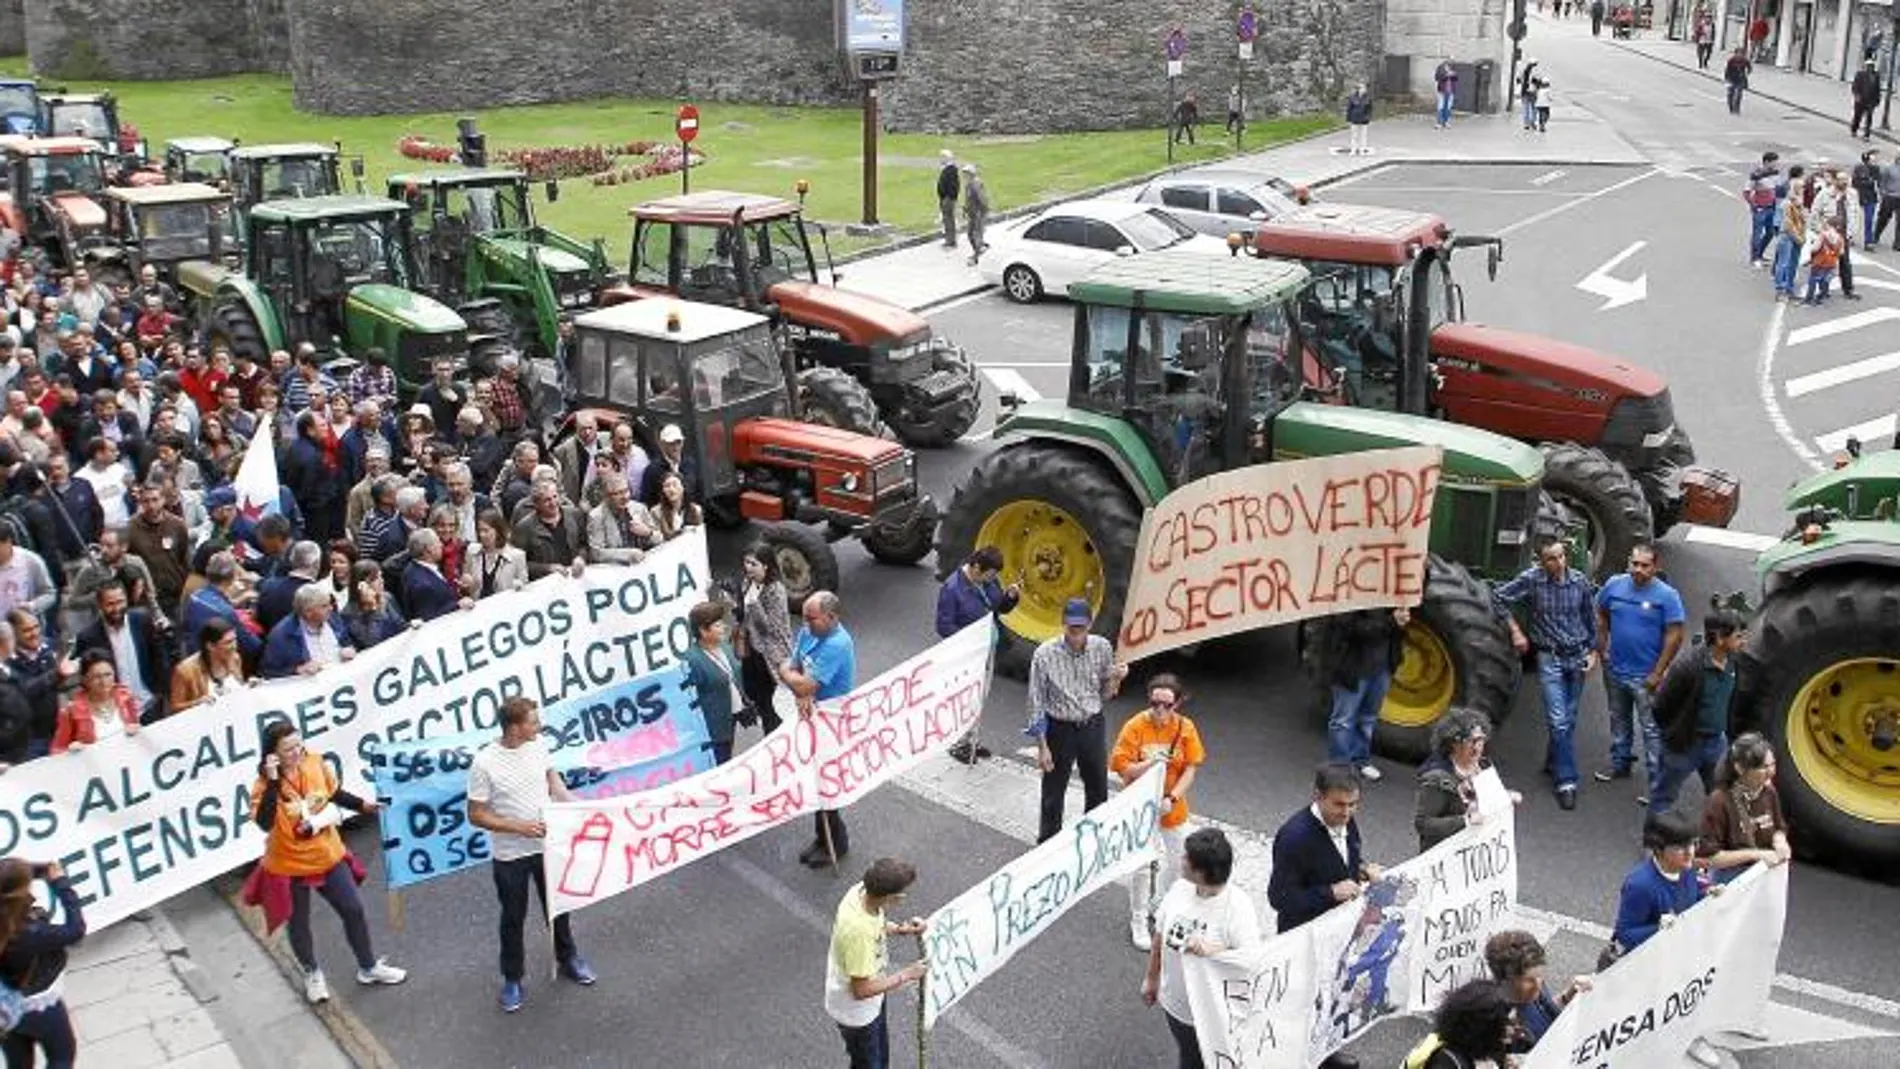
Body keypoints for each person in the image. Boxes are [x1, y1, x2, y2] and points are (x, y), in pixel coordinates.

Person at [244, 721, 405, 1003]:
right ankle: (312, 972)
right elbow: (265, 822)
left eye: (298, 744)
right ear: (272, 755)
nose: (296, 752)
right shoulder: (262, 786)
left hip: (326, 854)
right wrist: (271, 781)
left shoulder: (315, 762)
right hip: (288, 865)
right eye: (288, 749)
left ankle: (368, 967)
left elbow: (333, 793)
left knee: (353, 909)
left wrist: (362, 806)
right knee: (299, 923)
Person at [466, 696, 595, 1013]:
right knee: (513, 918)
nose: (540, 726)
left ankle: (568, 958)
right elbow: (476, 814)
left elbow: (553, 781)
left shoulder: (539, 745)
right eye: (533, 722)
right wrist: (519, 828)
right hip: (510, 857)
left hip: (547, 846)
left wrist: (575, 803)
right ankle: (512, 978)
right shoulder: (484, 763)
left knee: (558, 907)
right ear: (514, 727)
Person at [1266, 764, 1376, 1069]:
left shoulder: (1347, 821)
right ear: (1318, 796)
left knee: (1330, 996)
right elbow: (1280, 898)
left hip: (1338, 932)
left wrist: (1363, 869)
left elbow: (1345, 856)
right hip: (1305, 938)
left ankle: (1324, 1052)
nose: (1347, 813)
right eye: (1339, 804)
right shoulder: (1294, 837)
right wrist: (1329, 892)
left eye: (1353, 804)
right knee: (1303, 1003)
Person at [1140, 828, 1259, 1069]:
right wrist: (1151, 978)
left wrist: (1215, 952)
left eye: (1186, 858)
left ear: (1202, 872)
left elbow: (1251, 963)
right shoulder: (1179, 889)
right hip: (1177, 1004)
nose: (1180, 860)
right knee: (1189, 1053)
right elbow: (1159, 938)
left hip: (1212, 1013)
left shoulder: (1238, 908)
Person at [1492, 540, 1597, 810]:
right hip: (1549, 657)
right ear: (1541, 561)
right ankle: (1566, 781)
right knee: (1558, 719)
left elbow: (1590, 618)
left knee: (1568, 720)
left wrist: (1593, 652)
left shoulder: (1580, 582)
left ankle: (1553, 762)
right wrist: (1515, 630)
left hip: (1577, 655)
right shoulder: (1532, 580)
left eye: (1562, 556)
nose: (1559, 563)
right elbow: (1497, 597)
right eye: (1552, 558)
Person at [1111, 673, 1206, 951]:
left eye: (1167, 704)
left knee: (1179, 861)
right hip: (1140, 806)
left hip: (1170, 806)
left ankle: (1158, 902)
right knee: (1141, 866)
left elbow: (1191, 767)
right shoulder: (1136, 726)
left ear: (1177, 704)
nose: (1160, 710)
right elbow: (1121, 767)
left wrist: (1174, 797)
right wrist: (1148, 763)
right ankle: (1138, 920)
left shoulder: (1185, 728)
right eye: (1155, 703)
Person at [1026, 598, 1129, 843]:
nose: (1076, 635)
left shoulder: (1102, 647)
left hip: (1092, 724)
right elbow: (1035, 701)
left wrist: (1117, 679)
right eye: (1072, 629)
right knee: (1053, 790)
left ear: (1090, 626)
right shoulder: (1044, 654)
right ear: (1063, 624)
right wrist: (1042, 747)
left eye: (1081, 629)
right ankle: (1048, 843)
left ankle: (1093, 838)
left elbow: (1105, 693)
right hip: (1059, 728)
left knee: (1097, 786)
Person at [1592, 542, 1684, 796]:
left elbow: (1675, 635)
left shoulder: (1667, 596)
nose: (1638, 570)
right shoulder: (1614, 586)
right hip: (1616, 670)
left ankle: (1657, 785)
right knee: (1618, 718)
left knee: (1651, 729)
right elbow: (1600, 612)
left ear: (1656, 567)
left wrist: (1658, 672)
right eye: (1634, 564)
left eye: (1645, 565)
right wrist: (1603, 648)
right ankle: (1620, 763)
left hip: (1646, 676)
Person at [823, 857, 927, 1069]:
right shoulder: (859, 934)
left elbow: (876, 922)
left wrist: (899, 929)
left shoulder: (861, 892)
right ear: (892, 897)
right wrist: (906, 974)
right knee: (870, 1063)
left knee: (878, 1057)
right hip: (857, 1013)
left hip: (871, 1001)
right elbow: (860, 990)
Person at [781, 590, 857, 868]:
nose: (805, 625)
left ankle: (836, 842)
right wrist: (799, 689)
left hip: (832, 723)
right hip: (812, 715)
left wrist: (793, 681)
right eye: (804, 618)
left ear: (831, 617)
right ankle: (821, 836)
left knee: (826, 782)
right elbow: (796, 666)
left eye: (811, 619)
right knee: (814, 779)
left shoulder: (838, 643)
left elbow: (797, 677)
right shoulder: (810, 632)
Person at [1649, 609, 1747, 816]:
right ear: (1720, 638)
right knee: (1663, 797)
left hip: (1716, 743)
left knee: (1721, 794)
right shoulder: (1687, 668)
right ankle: (1654, 843)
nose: (1743, 641)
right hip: (1684, 745)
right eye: (1738, 636)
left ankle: (1716, 840)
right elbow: (1661, 706)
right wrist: (1674, 735)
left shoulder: (1735, 662)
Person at [934, 546, 1019, 762]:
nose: (991, 580)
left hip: (986, 651)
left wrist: (1009, 598)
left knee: (979, 697)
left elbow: (998, 606)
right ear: (976, 567)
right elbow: (943, 626)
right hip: (967, 654)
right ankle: (958, 742)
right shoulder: (952, 588)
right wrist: (971, 639)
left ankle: (971, 738)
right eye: (989, 575)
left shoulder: (987, 581)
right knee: (964, 698)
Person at [0, 856, 86, 1069]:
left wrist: (32, 871)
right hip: (36, 1005)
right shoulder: (30, 933)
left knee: (18, 1062)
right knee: (62, 1056)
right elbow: (75, 930)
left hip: (5, 1008)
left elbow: (8, 879)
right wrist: (60, 883)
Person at [1413, 708, 1521, 851]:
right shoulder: (1437, 779)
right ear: (1454, 743)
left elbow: (1489, 800)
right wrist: (1465, 821)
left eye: (1481, 740)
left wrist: (1505, 797)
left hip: (1473, 852)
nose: (1477, 748)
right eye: (1471, 741)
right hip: (1445, 854)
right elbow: (1423, 824)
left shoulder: (1482, 766)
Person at [1320, 607, 1407, 782]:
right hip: (1352, 668)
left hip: (1382, 667)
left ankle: (1360, 760)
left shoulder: (1391, 594)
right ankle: (1339, 769)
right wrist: (1391, 622)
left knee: (1368, 718)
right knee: (1343, 721)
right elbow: (1351, 629)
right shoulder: (1349, 597)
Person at [1698, 732, 1792, 884]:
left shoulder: (1769, 792)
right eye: (1763, 767)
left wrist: (1780, 841)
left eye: (1773, 764)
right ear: (1740, 768)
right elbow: (1708, 858)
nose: (1771, 772)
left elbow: (1779, 827)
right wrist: (1756, 855)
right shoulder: (1719, 801)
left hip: (1762, 875)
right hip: (1730, 880)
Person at [1610, 812, 1704, 956]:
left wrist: (1707, 895)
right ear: (1659, 850)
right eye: (1680, 848)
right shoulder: (1640, 885)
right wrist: (1658, 929)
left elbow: (1691, 897)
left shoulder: (1687, 869)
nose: (1689, 852)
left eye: (1693, 843)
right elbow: (1625, 934)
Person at [76, 580, 171, 722]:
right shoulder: (88, 637)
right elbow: (89, 679)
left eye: (120, 602)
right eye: (110, 604)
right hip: (117, 714)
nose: (117, 608)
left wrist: (162, 690)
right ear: (100, 605)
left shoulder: (142, 619)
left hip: (151, 704)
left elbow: (158, 655)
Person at [1483, 930, 1589, 1054]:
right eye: (1529, 980)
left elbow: (1547, 1010)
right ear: (1505, 979)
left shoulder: (1532, 990)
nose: (1538, 985)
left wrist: (1568, 995)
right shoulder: (1492, 1018)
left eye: (1540, 975)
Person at [736, 543, 793, 737]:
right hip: (752, 652)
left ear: (766, 566)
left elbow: (770, 628)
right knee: (756, 695)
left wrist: (753, 604)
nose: (748, 568)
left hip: (771, 655)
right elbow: (744, 616)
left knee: (773, 705)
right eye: (746, 562)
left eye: (754, 564)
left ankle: (776, 738)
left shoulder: (776, 591)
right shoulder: (747, 583)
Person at [680, 601, 745, 765]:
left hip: (731, 719)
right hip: (713, 729)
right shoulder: (692, 660)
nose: (723, 627)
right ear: (703, 630)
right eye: (717, 625)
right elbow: (688, 701)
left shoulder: (724, 647)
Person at [1400, 979, 1516, 1069]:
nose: (1512, 1030)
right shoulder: (1447, 1062)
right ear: (1484, 1028)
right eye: (1506, 1023)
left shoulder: (1465, 1051)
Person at [50, 649, 141, 752]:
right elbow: (57, 750)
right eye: (96, 677)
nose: (104, 682)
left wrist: (136, 730)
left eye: (108, 674)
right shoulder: (70, 711)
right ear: (85, 679)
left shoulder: (126, 696)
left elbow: (137, 729)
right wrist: (70, 750)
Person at [261, 584, 357, 678]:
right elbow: (268, 671)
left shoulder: (333, 619)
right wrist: (297, 669)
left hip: (342, 678)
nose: (330, 608)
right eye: (324, 606)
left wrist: (349, 649)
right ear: (308, 612)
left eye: (330, 604)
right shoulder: (282, 635)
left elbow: (347, 642)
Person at [170, 617, 248, 714]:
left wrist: (249, 688)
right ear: (210, 646)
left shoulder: (235, 658)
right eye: (228, 642)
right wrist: (196, 704)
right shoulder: (185, 670)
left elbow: (238, 689)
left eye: (234, 640)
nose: (234, 646)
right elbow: (174, 708)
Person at [401, 528, 466, 622]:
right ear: (428, 550)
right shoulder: (423, 586)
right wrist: (458, 605)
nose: (441, 544)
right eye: (437, 542)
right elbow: (430, 620)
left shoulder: (413, 567)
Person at [339, 561, 408, 651]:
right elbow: (372, 642)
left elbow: (400, 625)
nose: (381, 581)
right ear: (361, 586)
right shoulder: (349, 613)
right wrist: (373, 609)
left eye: (381, 576)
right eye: (375, 579)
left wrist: (411, 626)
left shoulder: (387, 597)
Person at [465, 508, 529, 598]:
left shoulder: (517, 556)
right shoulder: (472, 551)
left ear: (498, 531)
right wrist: (466, 586)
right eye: (479, 530)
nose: (481, 535)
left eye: (486, 530)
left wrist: (519, 586)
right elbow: (466, 588)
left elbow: (524, 589)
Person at [1772, 171, 1809, 301]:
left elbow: (1803, 220)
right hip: (1787, 236)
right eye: (1801, 187)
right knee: (1784, 263)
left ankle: (1790, 288)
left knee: (1793, 264)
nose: (1803, 189)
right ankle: (1780, 290)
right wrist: (1798, 237)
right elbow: (1788, 224)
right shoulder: (1786, 204)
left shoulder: (1800, 203)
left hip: (1798, 236)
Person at [1805, 220, 1844, 304]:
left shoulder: (1823, 235)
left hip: (1819, 261)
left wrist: (1810, 248)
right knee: (1825, 279)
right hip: (1831, 262)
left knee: (1813, 279)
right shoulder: (1840, 238)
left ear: (1829, 225)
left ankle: (1809, 298)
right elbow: (1841, 252)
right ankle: (1822, 294)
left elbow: (1815, 248)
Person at [961, 163, 990, 266]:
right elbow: (968, 200)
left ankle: (977, 257)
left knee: (976, 235)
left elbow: (983, 200)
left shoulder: (976, 184)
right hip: (972, 214)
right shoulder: (968, 185)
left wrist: (982, 213)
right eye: (963, 173)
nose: (963, 175)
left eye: (965, 173)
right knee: (970, 234)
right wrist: (965, 210)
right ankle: (980, 250)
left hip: (978, 214)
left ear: (971, 174)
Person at [1852, 150, 1882, 248]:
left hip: (1871, 197)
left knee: (1869, 220)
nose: (1875, 161)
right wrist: (1869, 182)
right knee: (1855, 218)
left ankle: (1868, 241)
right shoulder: (1859, 168)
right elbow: (1855, 182)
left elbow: (1879, 182)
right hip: (1860, 195)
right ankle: (1851, 237)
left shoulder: (1876, 169)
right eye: (1873, 159)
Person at [1852, 59, 1882, 141]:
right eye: (1869, 66)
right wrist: (1857, 95)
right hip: (1861, 100)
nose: (1870, 68)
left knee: (1869, 118)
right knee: (1857, 116)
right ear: (1865, 66)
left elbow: (1877, 89)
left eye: (1872, 66)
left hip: (1871, 101)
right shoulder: (1860, 74)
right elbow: (1855, 86)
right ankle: (1854, 129)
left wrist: (1877, 100)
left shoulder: (1876, 76)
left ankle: (1866, 135)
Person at [935, 150, 960, 249]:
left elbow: (953, 187)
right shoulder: (947, 169)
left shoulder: (951, 170)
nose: (940, 159)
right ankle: (949, 240)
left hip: (948, 199)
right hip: (945, 199)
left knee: (949, 220)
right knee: (947, 220)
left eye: (942, 157)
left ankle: (951, 241)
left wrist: (948, 198)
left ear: (946, 158)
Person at [1344, 82, 1373, 155]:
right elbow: (1349, 108)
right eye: (1361, 88)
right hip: (1355, 118)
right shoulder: (1353, 97)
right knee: (1354, 135)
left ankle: (1362, 149)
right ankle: (1353, 149)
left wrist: (1369, 117)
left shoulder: (1368, 98)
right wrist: (1348, 119)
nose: (1362, 90)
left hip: (1364, 119)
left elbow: (1370, 109)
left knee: (1363, 135)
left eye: (1363, 88)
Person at [1724, 47, 1752, 115]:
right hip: (1731, 78)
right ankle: (1731, 107)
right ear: (1735, 54)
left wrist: (1747, 73)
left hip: (1740, 79)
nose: (1740, 56)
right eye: (1738, 54)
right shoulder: (1731, 60)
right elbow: (1727, 70)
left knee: (1739, 94)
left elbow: (1749, 68)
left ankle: (1737, 108)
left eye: (1742, 54)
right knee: (1730, 93)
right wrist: (1727, 79)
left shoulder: (1745, 60)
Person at [1433, 59, 1458, 129]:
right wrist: (1446, 75)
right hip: (1442, 90)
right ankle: (1439, 123)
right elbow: (1437, 77)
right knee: (1440, 106)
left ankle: (1446, 122)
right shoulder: (1440, 68)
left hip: (1451, 91)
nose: (1449, 66)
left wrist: (1453, 75)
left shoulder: (1453, 68)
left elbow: (1456, 78)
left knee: (1448, 107)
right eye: (1448, 64)